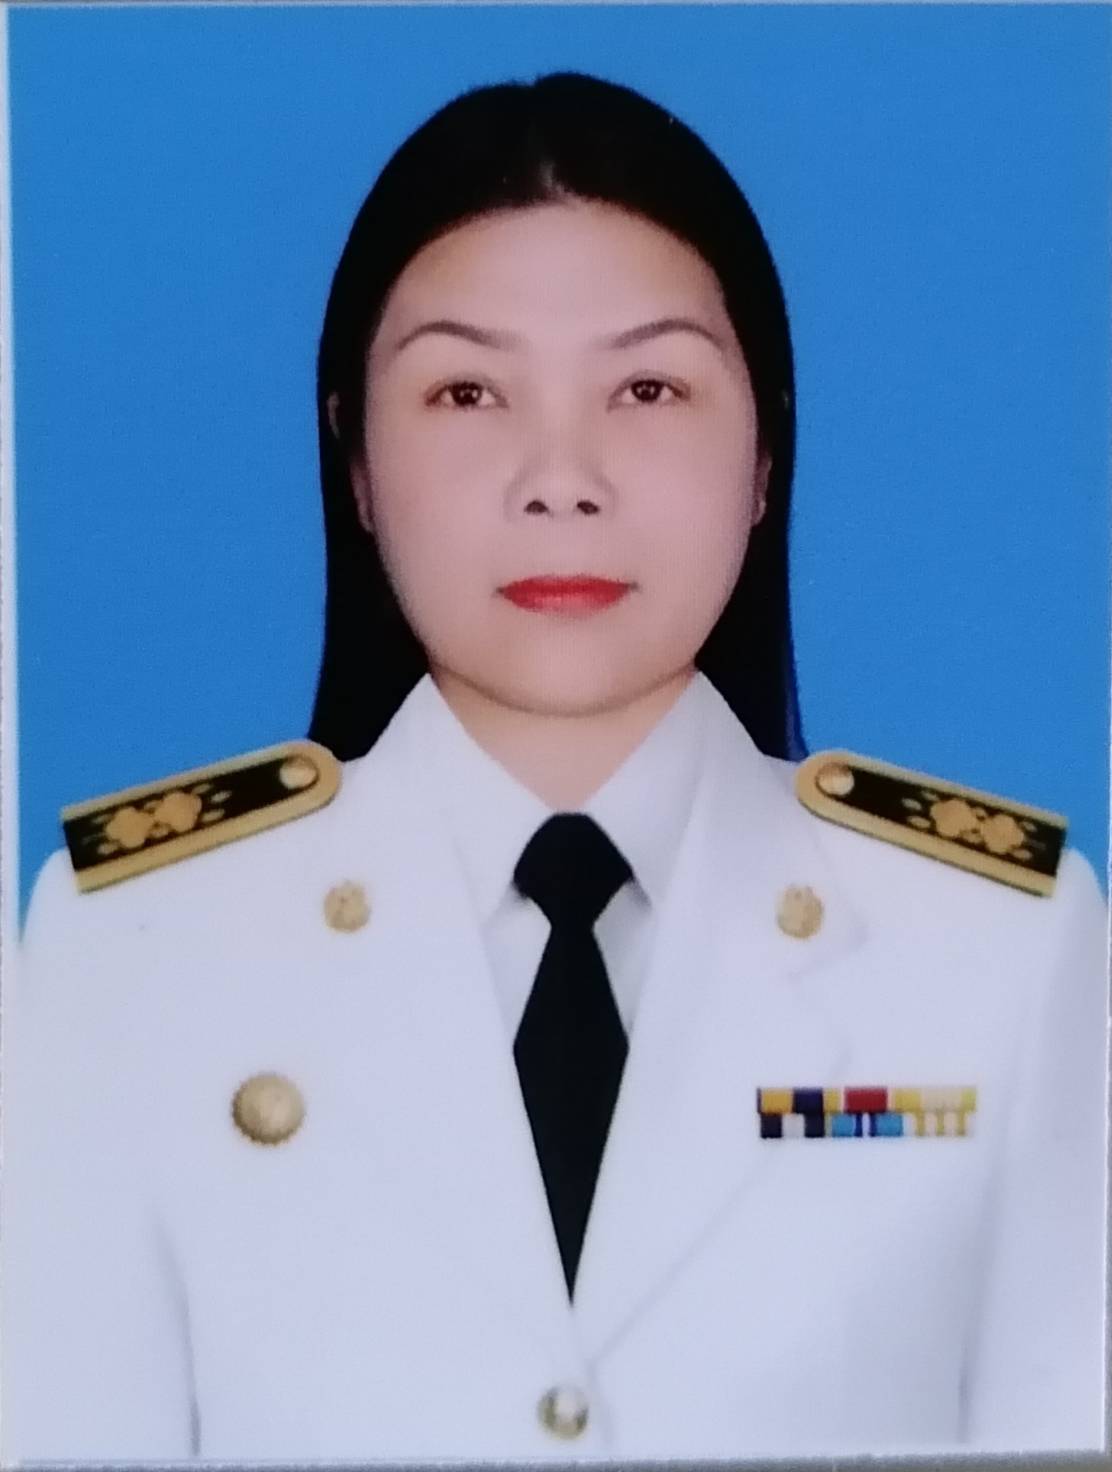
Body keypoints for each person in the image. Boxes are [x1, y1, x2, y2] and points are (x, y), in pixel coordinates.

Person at [3, 72, 1107, 1463]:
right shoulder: (129, 953)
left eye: (648, 387)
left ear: (765, 453)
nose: (561, 478)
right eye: (466, 391)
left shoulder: (1002, 949)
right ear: (355, 459)